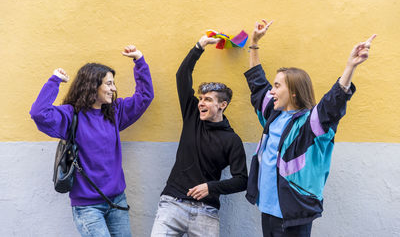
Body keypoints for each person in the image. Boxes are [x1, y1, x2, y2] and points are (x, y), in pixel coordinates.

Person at [244, 19, 376, 237]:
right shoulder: (273, 114)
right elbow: (258, 84)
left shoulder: (310, 124)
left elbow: (331, 105)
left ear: (294, 92)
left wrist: (350, 67)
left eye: (277, 86)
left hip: (294, 214)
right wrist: (254, 44)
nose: (272, 91)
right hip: (266, 210)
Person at [30, 45, 154, 237]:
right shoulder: (71, 116)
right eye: (109, 83)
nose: (114, 88)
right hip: (88, 207)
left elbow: (144, 97)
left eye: (113, 83)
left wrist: (139, 60)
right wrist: (54, 81)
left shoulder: (115, 112)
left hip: (117, 201)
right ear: (92, 86)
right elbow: (39, 113)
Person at [150, 36, 248, 237]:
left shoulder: (232, 140)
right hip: (172, 205)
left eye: (208, 100)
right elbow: (182, 75)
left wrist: (211, 187)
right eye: (201, 98)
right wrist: (199, 46)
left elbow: (242, 180)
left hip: (206, 212)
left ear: (222, 105)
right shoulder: (192, 116)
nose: (201, 103)